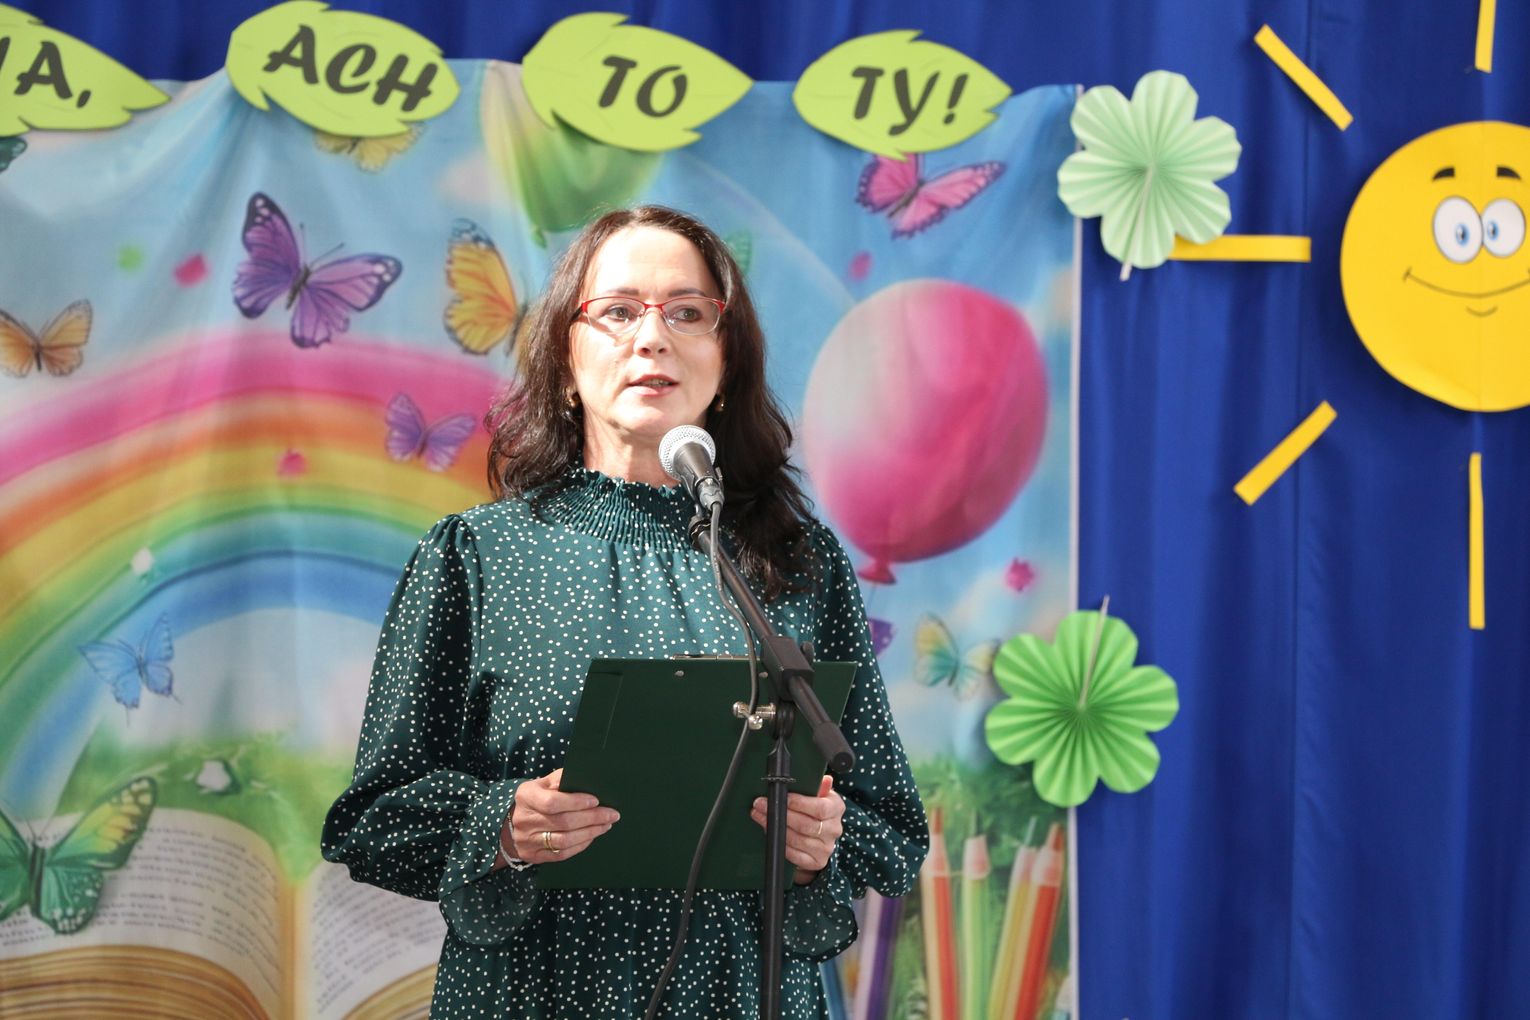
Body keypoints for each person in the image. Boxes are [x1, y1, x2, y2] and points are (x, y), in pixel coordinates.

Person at [321, 205, 928, 1018]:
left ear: (727, 362)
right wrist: (503, 824)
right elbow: (372, 820)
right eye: (616, 311)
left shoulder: (799, 563)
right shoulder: (475, 555)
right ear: (565, 364)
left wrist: (823, 841)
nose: (652, 337)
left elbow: (889, 827)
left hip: (740, 994)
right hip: (531, 994)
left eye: (688, 312)